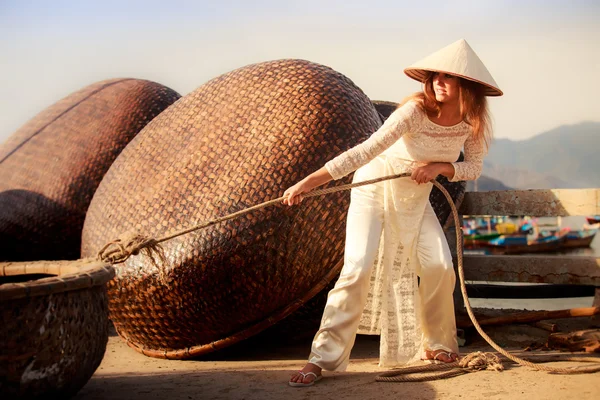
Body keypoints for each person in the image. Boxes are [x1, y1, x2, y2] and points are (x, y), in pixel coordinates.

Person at [283, 39, 503, 387]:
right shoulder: (414, 111)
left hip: (415, 198)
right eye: (434, 76)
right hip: (374, 187)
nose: (437, 82)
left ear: (467, 84)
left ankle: (438, 345)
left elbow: (473, 167)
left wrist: (440, 166)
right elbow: (367, 150)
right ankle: (320, 359)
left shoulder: (471, 122)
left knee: (440, 266)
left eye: (448, 77)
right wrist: (310, 182)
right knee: (357, 268)